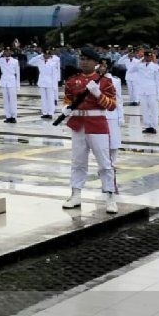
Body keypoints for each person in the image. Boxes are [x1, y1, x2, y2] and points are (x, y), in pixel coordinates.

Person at [61, 47, 118, 214]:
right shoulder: (72, 81)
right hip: (78, 124)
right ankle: (76, 194)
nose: (83, 62)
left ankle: (110, 196)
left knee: (104, 163)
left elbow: (112, 106)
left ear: (95, 63)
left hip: (97, 124)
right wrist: (65, 109)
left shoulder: (105, 82)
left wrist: (97, 93)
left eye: (87, 59)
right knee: (77, 161)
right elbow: (68, 100)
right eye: (82, 59)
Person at [0, 48, 20, 123]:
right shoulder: (1, 60)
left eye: (9, 51)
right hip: (3, 81)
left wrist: (18, 85)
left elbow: (18, 74)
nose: (7, 52)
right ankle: (8, 116)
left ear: (11, 52)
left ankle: (13, 116)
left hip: (12, 81)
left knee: (13, 100)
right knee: (6, 100)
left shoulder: (15, 61)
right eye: (5, 51)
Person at [29, 49, 62, 119]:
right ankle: (45, 112)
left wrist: (54, 86)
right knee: (43, 99)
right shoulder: (40, 61)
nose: (46, 56)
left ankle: (50, 113)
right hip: (42, 82)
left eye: (47, 54)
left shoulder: (53, 63)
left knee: (50, 98)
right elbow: (30, 62)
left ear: (50, 55)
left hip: (50, 82)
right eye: (45, 54)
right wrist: (40, 55)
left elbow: (54, 75)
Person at [135, 50, 159, 133]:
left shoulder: (156, 67)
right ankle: (147, 126)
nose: (148, 58)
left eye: (149, 56)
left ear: (152, 57)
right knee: (144, 109)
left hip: (152, 91)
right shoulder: (140, 66)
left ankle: (154, 126)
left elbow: (158, 81)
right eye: (146, 56)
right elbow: (131, 70)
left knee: (153, 109)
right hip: (142, 91)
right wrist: (140, 60)